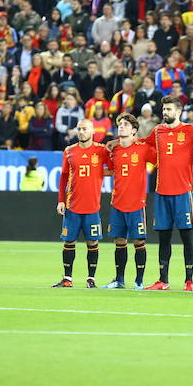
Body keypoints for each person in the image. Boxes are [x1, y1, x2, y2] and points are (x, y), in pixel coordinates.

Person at [141, 96, 193, 291]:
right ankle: (163, 280)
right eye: (164, 109)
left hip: (182, 192)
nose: (165, 112)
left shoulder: (190, 130)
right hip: (162, 193)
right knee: (164, 238)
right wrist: (120, 142)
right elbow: (143, 143)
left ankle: (189, 280)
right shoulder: (158, 131)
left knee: (187, 237)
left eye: (169, 109)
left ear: (178, 111)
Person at [53, 119, 110, 288]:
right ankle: (67, 279)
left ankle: (91, 279)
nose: (81, 132)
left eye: (85, 129)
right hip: (72, 206)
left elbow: (114, 167)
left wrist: (100, 172)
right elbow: (64, 176)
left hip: (92, 207)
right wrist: (61, 200)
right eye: (79, 129)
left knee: (92, 243)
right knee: (69, 242)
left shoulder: (101, 150)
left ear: (93, 131)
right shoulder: (69, 151)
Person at [102, 113, 156, 289]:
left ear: (134, 130)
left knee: (139, 242)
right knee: (119, 242)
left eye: (126, 124)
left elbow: (160, 159)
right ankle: (119, 279)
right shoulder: (113, 151)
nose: (121, 126)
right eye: (120, 124)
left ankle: (139, 281)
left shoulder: (143, 148)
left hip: (136, 204)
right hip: (117, 203)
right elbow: (109, 170)